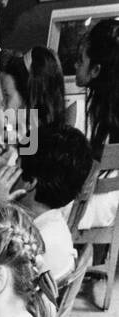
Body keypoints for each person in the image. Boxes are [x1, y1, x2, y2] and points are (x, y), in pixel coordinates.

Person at [0, 124, 94, 282]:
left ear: (30, 182)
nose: (10, 169)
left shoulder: (25, 246)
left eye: (16, 165)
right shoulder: (52, 225)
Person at [75, 16, 119, 232]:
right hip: (110, 212)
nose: (74, 64)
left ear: (96, 70)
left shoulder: (81, 115)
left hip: (81, 213)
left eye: (80, 59)